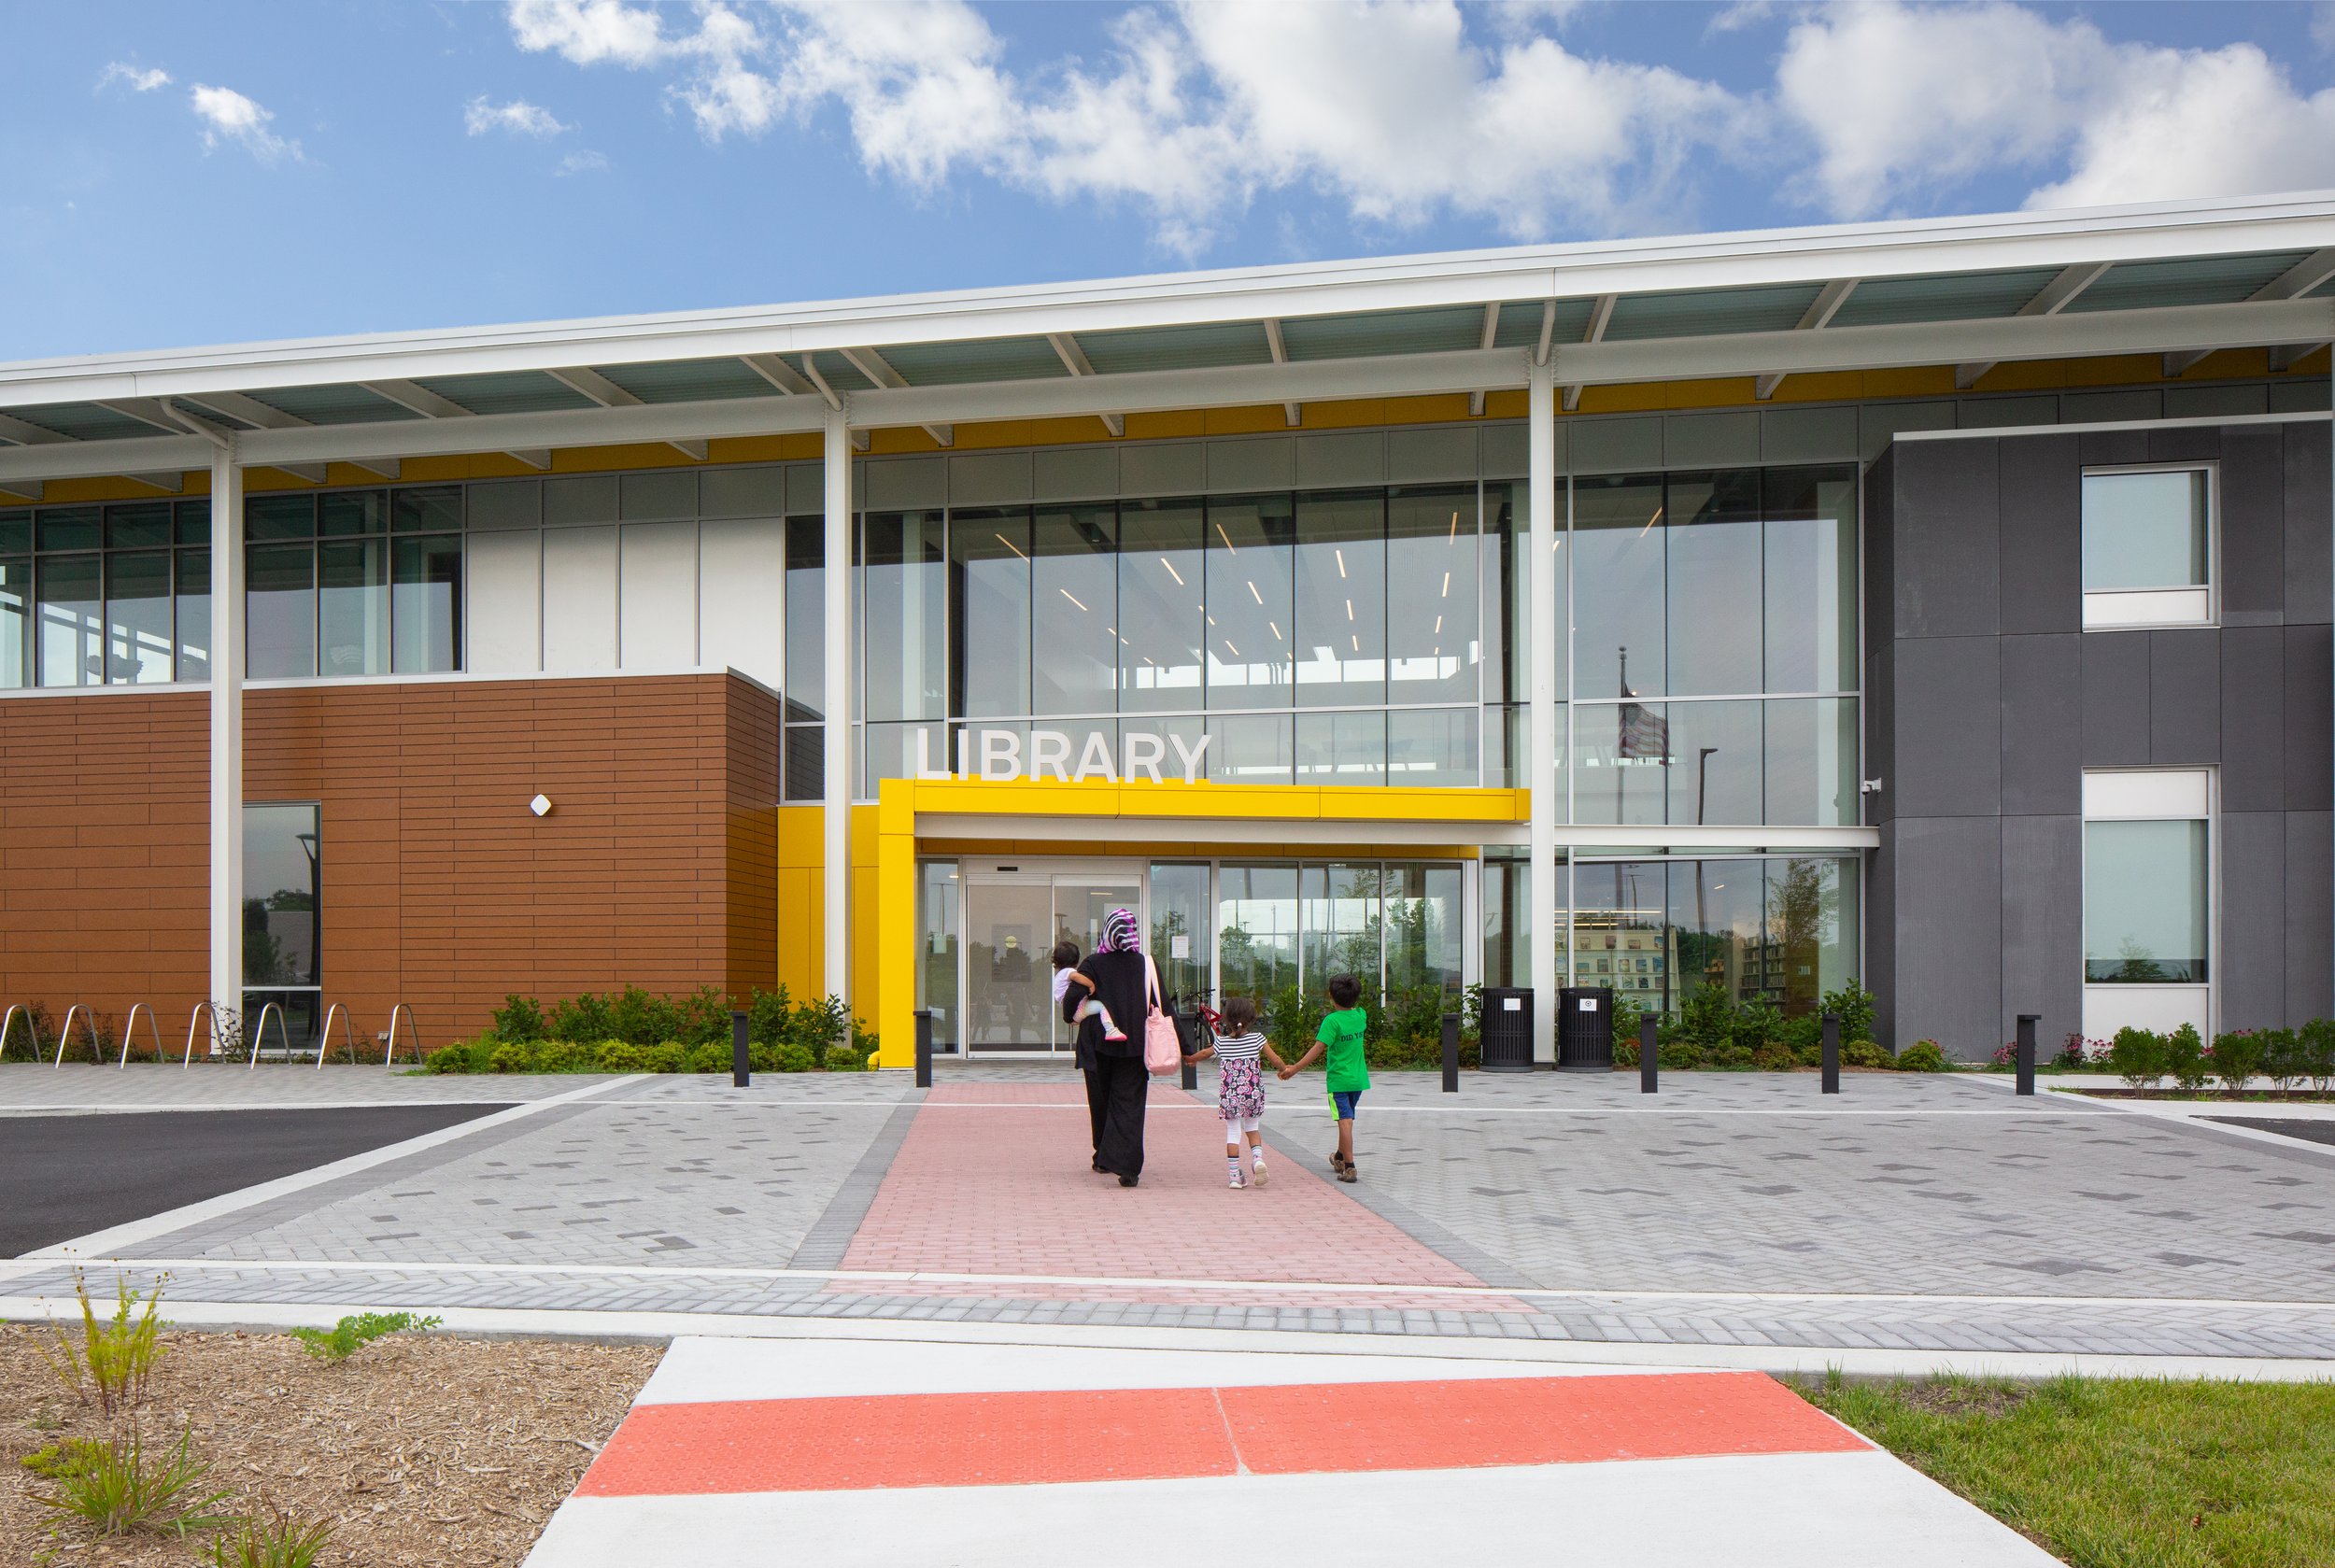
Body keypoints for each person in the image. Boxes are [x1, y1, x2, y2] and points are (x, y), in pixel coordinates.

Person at [1063, 908, 1152, 1187]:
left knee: (1100, 1102)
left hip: (1098, 1046)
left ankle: (1103, 1157)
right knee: (1130, 1105)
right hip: (1136, 1046)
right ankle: (1129, 1167)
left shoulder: (1093, 963)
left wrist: (1071, 1016)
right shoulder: (1146, 964)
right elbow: (1163, 1005)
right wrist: (1185, 1048)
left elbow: (1071, 999)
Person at [1183, 995, 1287, 1189]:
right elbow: (1275, 1059)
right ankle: (1257, 1160)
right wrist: (1284, 1069)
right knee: (1252, 1128)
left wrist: (1190, 1059)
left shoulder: (1222, 1042)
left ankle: (1234, 1177)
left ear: (1226, 1019)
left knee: (1233, 1132)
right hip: (1252, 1095)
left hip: (1230, 1097)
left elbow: (1205, 1053)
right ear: (1251, 1018)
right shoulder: (1258, 1039)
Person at [1280, 972, 1367, 1182]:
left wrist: (1294, 1069)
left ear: (1331, 996)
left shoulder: (1332, 1021)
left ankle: (1350, 1166)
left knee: (1344, 1121)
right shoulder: (1361, 1015)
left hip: (1339, 1081)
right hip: (1358, 1080)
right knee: (1347, 1119)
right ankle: (1339, 1156)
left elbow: (1318, 1047)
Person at [1051, 939, 1124, 1041]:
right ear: (1075, 960)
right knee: (1101, 1006)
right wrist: (1090, 984)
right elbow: (1076, 977)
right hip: (1078, 1009)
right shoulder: (1068, 971)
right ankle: (1110, 1030)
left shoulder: (1059, 975)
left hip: (1072, 1010)